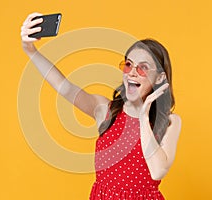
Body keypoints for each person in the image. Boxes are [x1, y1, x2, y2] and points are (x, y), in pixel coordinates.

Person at [21, 12, 182, 200]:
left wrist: (144, 117)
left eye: (143, 68)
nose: (132, 73)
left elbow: (157, 171)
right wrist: (30, 49)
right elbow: (63, 86)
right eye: (128, 65)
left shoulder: (169, 122)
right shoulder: (106, 110)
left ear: (160, 78)